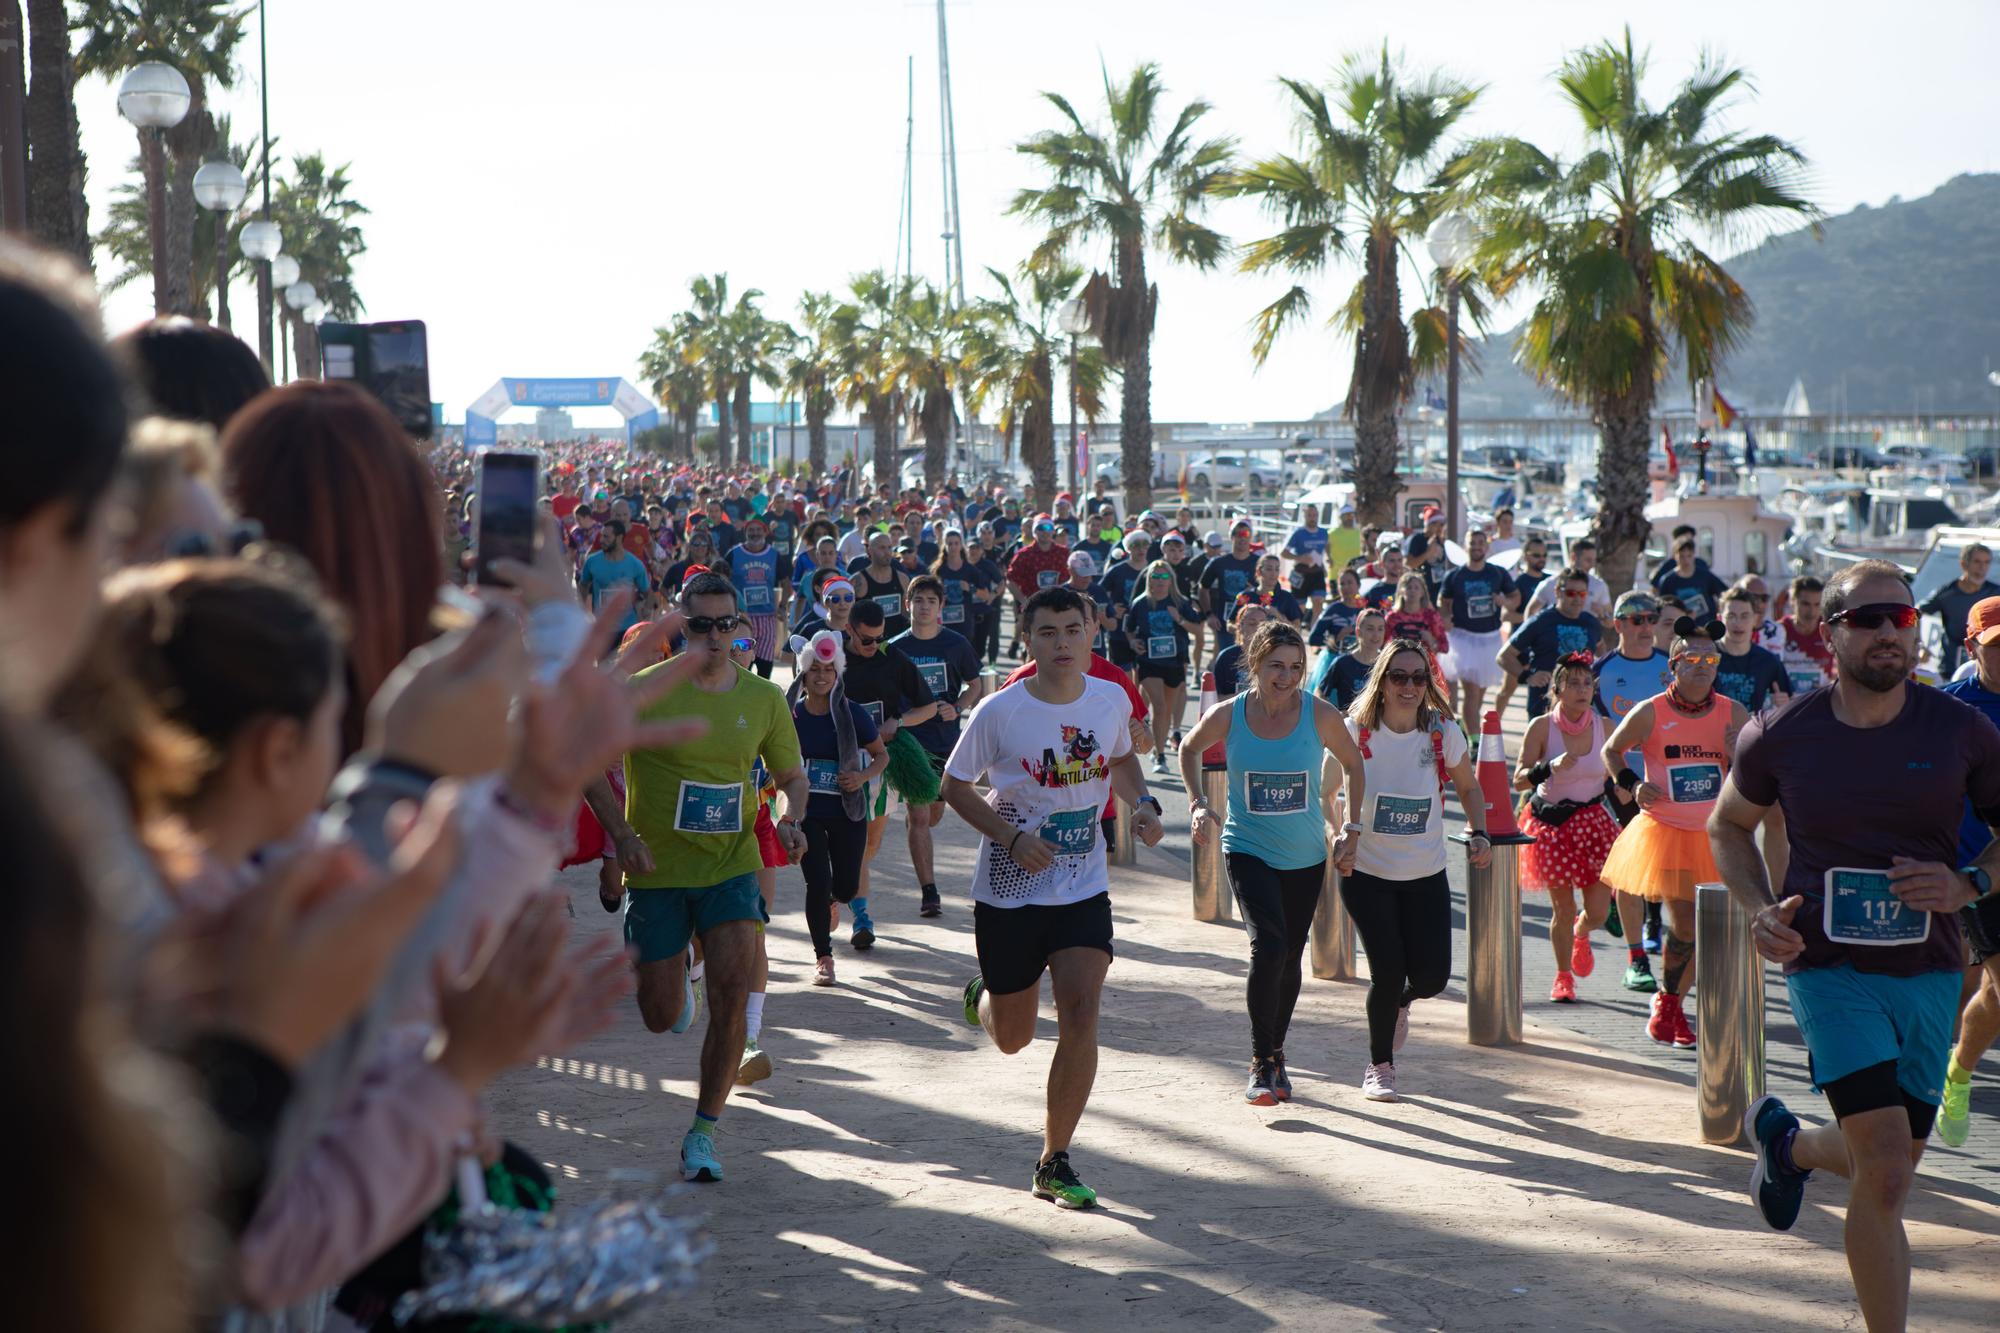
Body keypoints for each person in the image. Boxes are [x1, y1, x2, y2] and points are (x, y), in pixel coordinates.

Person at [1711, 561, 2000, 1332]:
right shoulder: (1781, 732)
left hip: (1932, 967)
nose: (1886, 633)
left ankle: (1789, 1146)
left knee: (1894, 1157)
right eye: (1868, 619)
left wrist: (1969, 881)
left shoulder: (1962, 730)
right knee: (1886, 1174)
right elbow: (1727, 825)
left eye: (1900, 621)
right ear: (1831, 631)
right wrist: (1759, 908)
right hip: (1827, 965)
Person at [941, 585, 1165, 1210]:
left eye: (1073, 629)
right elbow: (954, 787)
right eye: (1048, 632)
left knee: (1082, 1012)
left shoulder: (1110, 698)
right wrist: (1010, 837)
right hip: (1010, 888)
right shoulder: (1001, 712)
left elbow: (1120, 760)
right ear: (1029, 640)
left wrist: (1141, 804)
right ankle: (985, 997)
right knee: (1014, 1037)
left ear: (1092, 631)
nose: (1062, 642)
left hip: (1081, 883)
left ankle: (1054, 1159)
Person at [623, 570, 808, 1184]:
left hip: (732, 866)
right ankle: (676, 971)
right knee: (658, 1014)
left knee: (733, 994)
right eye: (698, 624)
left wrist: (789, 818)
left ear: (739, 628)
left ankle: (703, 1130)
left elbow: (791, 778)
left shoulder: (764, 699)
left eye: (724, 624)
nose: (713, 635)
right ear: (679, 628)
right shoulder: (643, 692)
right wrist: (620, 838)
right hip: (658, 871)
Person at [1181, 622, 1365, 1104]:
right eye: (1275, 666)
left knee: (1289, 954)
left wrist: (1353, 826)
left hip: (1305, 856)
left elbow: (1354, 764)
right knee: (1269, 946)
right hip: (1246, 847)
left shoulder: (1319, 715)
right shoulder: (1231, 714)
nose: (1286, 676)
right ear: (1255, 664)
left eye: (1295, 667)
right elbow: (1188, 747)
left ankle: (1277, 1052)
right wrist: (1198, 802)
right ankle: (1261, 1061)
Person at [1336, 642, 1490, 1100]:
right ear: (1381, 681)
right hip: (1366, 873)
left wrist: (1479, 832)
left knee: (1432, 978)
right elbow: (1326, 790)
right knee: (1386, 970)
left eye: (1418, 678)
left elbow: (1469, 787)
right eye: (1399, 677)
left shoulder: (1442, 732)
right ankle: (1379, 1064)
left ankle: (1405, 1000)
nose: (1409, 686)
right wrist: (1337, 834)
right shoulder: (1354, 732)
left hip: (1425, 872)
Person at [1599, 616, 1748, 1047]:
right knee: (1685, 924)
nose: (1703, 666)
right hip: (1668, 832)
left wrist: (1739, 757)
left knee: (1706, 930)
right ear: (1675, 664)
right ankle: (1670, 1006)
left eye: (1711, 659)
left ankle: (1671, 1004)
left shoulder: (1731, 712)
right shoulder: (1651, 712)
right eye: (1693, 658)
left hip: (1715, 835)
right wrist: (1632, 785)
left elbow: (1749, 770)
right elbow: (1612, 751)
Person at [1515, 652, 1621, 1002]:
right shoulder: (1541, 726)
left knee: (1599, 912)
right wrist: (1548, 768)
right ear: (1557, 690)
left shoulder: (1604, 727)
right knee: (1562, 908)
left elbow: (1618, 774)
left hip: (1592, 823)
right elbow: (1518, 780)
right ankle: (1563, 978)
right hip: (1552, 825)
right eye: (1573, 683)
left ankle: (1582, 932)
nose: (1581, 689)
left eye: (1587, 683)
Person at [787, 630, 890, 987]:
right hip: (808, 812)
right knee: (816, 882)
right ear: (803, 673)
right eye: (814, 669)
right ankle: (823, 957)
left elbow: (882, 755)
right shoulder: (792, 716)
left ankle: (835, 898)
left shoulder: (852, 714)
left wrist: (861, 777)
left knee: (844, 887)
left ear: (837, 674)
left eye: (827, 670)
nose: (820, 676)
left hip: (848, 811)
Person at [1935, 596, 2000, 1148]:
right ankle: (1949, 1072)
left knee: (1993, 993)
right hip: (1981, 869)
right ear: (1971, 646)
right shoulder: (1951, 710)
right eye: (1996, 645)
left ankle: (1956, 1072)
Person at [839, 597, 939, 944]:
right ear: (849, 629)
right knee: (839, 842)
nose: (874, 645)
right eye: (867, 639)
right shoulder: (832, 659)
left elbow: (928, 707)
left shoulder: (892, 658)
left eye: (880, 638)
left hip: (881, 762)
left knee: (869, 843)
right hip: (837, 763)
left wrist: (898, 721)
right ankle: (854, 918)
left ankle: (857, 903)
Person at [1594, 590, 1675, 988]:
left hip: (1668, 785)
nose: (1646, 626)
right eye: (1636, 619)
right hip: (1624, 783)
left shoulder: (1671, 667)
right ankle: (1637, 957)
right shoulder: (1601, 671)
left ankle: (1654, 923)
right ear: (1619, 624)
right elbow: (1595, 734)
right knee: (1632, 871)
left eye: (1651, 618)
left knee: (1662, 869)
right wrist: (1616, 779)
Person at [893, 575, 984, 918]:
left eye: (932, 600)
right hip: (911, 743)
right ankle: (929, 892)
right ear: (908, 605)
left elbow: (975, 684)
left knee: (932, 814)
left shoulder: (956, 644)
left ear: (941, 606)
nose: (925, 606)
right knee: (918, 815)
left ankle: (923, 833)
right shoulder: (896, 647)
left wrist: (957, 706)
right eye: (918, 600)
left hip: (947, 743)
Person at [1438, 528, 1516, 738]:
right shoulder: (1455, 575)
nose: (1477, 546)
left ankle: (1466, 728)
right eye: (1473, 542)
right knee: (1471, 692)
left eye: (1481, 543)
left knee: (1479, 694)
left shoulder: (1498, 573)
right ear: (1466, 546)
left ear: (1487, 547)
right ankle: (1474, 741)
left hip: (1489, 639)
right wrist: (1445, 617)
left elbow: (1515, 598)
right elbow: (1443, 602)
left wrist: (1504, 602)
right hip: (1463, 638)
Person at [1501, 567, 1604, 720]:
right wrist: (1528, 676)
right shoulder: (1541, 621)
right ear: (1557, 592)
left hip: (1581, 707)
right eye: (1570, 593)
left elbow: (1601, 650)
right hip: (1543, 706)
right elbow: (1504, 656)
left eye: (1582, 594)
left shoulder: (1591, 622)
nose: (1577, 599)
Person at [1123, 560, 1197, 770]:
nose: (1160, 581)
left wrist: (1179, 619)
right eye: (1155, 577)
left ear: (1171, 580)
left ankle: (1158, 749)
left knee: (1166, 710)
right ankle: (1160, 754)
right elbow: (1129, 628)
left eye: (1164, 577)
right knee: (1160, 704)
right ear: (1149, 579)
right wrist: (1132, 641)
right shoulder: (1141, 602)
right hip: (1148, 661)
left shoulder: (1180, 602)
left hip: (1174, 662)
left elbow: (1197, 630)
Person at [1919, 542, 1999, 678]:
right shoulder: (1946, 594)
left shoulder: (1996, 593)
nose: (1982, 568)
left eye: (1987, 563)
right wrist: (1919, 644)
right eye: (1977, 562)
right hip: (1949, 671)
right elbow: (1916, 613)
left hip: (1986, 672)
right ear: (1964, 564)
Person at [1714, 586, 1790, 714]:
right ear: (1720, 618)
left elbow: (1788, 700)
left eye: (1745, 616)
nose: (1737, 623)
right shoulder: (1706, 657)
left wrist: (1784, 703)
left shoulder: (1769, 661)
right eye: (1731, 616)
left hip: (1752, 732)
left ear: (1755, 619)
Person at [726, 513, 784, 677]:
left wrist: (783, 604)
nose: (755, 533)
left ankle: (763, 699)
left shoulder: (774, 554)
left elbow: (786, 581)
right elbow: (723, 578)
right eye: (751, 529)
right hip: (742, 617)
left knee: (765, 666)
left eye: (759, 529)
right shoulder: (734, 553)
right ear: (745, 532)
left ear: (765, 532)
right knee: (741, 665)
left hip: (767, 617)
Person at [1764, 573, 1836, 697]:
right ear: (1792, 601)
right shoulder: (1777, 631)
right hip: (1786, 705)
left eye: (1817, 605)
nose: (1812, 612)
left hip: (1820, 702)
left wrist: (1831, 686)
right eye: (1805, 604)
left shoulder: (1830, 631)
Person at [579, 520, 652, 636]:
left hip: (627, 630)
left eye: (606, 537)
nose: (601, 540)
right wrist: (582, 612)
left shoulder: (634, 564)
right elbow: (583, 585)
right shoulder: (592, 561)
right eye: (602, 536)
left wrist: (645, 613)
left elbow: (648, 593)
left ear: (619, 538)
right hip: (601, 629)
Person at [1200, 521, 1261, 650]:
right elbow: (1203, 588)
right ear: (1231, 536)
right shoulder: (1218, 562)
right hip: (1226, 623)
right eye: (1238, 534)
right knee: (1229, 661)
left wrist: (1257, 592)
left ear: (1250, 537)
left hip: (1253, 623)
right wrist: (1209, 614)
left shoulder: (1259, 563)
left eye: (1246, 533)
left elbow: (1271, 591)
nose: (1242, 537)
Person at [1320, 607, 1386, 711]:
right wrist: (1335, 715)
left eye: (1380, 629)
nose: (1376, 635)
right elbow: (1320, 693)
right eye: (1370, 628)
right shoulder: (1342, 663)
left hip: (1378, 725)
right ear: (1358, 632)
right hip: (1349, 725)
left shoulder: (1388, 663)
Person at [1652, 536, 1728, 622]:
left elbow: (1724, 593)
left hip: (1706, 626)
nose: (1686, 560)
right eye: (1682, 556)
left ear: (1694, 555)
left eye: (1689, 556)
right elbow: (1662, 607)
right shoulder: (1668, 580)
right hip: (1680, 627)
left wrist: (1721, 610)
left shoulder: (1705, 576)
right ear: (1675, 556)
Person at [1211, 599, 1272, 699]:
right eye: (1252, 623)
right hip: (1231, 712)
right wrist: (1244, 699)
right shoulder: (1226, 657)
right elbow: (1214, 698)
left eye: (1262, 624)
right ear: (1240, 627)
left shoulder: (1274, 656)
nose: (1258, 628)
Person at [1283, 502, 1330, 621]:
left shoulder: (1323, 532)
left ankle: (1314, 632)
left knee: (1318, 602)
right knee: (1299, 608)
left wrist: (1327, 560)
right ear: (1305, 516)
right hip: (1300, 573)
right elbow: (1284, 553)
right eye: (1309, 515)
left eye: (1314, 515)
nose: (1312, 518)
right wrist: (1299, 558)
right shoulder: (1298, 533)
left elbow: (1326, 546)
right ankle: (1297, 633)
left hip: (1317, 573)